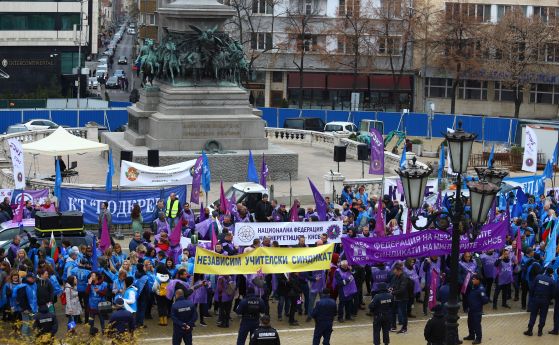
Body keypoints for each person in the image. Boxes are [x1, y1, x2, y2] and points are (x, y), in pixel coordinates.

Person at [524, 267, 555, 337]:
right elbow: (553, 293)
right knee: (543, 316)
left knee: (533, 314)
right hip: (545, 301)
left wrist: (532, 297)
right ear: (551, 273)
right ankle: (540, 331)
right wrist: (549, 299)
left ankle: (530, 330)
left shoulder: (538, 277)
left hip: (536, 299)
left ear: (545, 271)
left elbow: (532, 288)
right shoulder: (552, 281)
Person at [463, 274, 489, 345]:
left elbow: (485, 300)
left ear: (478, 280)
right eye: (472, 279)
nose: (472, 280)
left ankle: (478, 338)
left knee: (476, 324)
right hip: (471, 309)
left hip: (477, 310)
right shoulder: (473, 287)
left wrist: (478, 304)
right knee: (470, 323)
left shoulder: (481, 289)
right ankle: (471, 335)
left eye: (474, 279)